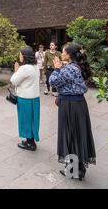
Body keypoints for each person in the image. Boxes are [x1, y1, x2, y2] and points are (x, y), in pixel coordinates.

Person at [49, 43, 96, 181]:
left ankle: (74, 170)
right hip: (79, 103)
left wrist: (56, 69)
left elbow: (53, 82)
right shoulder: (78, 67)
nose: (61, 54)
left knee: (69, 134)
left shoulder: (69, 68)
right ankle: (79, 168)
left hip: (70, 105)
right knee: (78, 134)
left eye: (63, 52)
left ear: (69, 54)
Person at [10, 48, 40, 151]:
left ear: (25, 56)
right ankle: (30, 140)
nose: (19, 57)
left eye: (20, 55)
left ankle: (30, 143)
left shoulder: (25, 68)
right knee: (32, 120)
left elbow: (14, 81)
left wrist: (16, 71)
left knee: (26, 120)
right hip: (34, 98)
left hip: (25, 98)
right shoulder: (35, 66)